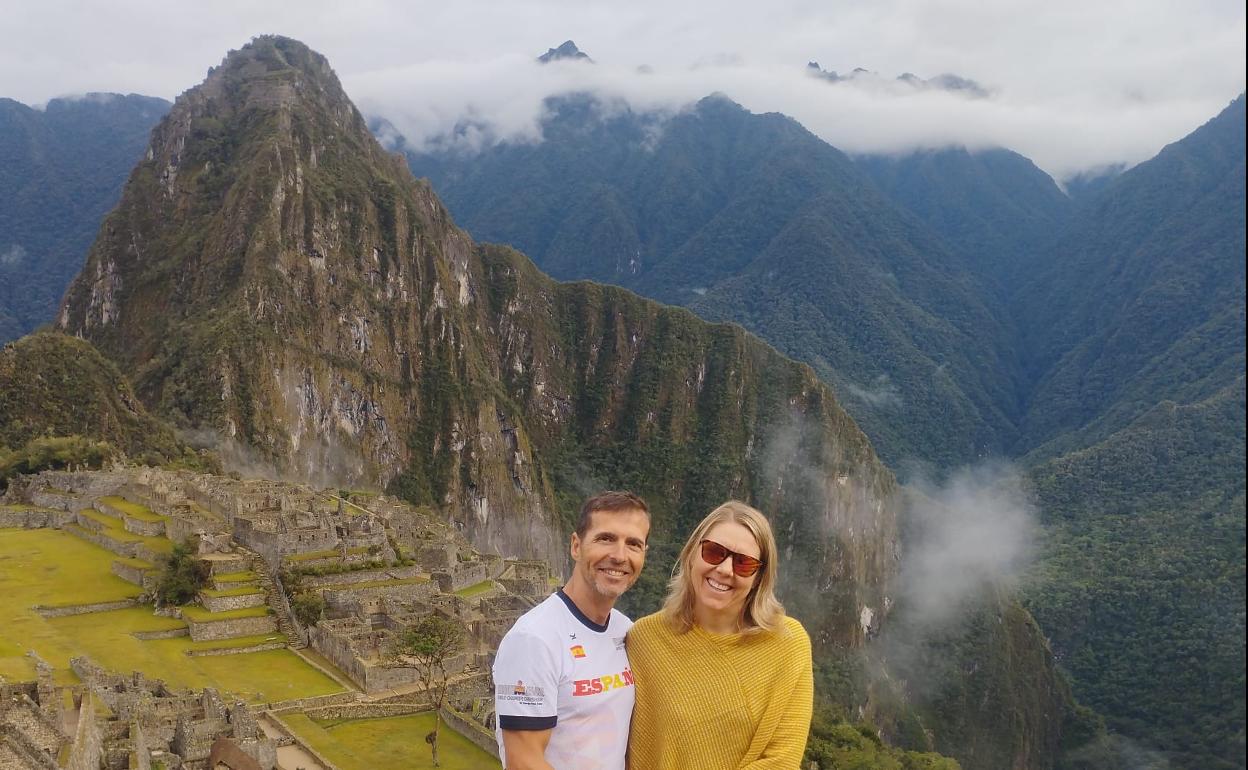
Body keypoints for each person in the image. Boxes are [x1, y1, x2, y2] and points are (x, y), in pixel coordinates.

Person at [627, 500, 813, 769]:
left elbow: (781, 761)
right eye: (714, 552)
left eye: (744, 563)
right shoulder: (645, 639)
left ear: (758, 578)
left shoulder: (788, 643)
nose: (725, 570)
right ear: (692, 554)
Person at [493, 491, 650, 770]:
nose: (619, 556)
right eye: (606, 538)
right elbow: (524, 762)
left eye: (633, 544)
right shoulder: (534, 639)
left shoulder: (625, 630)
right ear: (576, 546)